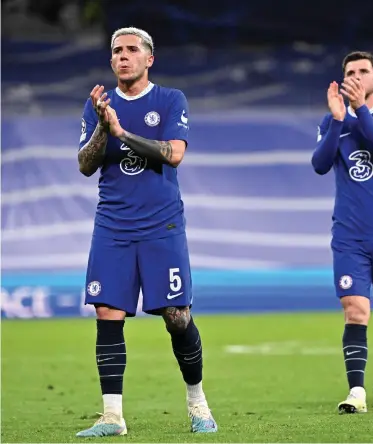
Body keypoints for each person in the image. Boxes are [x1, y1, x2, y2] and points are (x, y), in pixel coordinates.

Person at [75, 27, 217, 437]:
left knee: (176, 317)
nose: (123, 56)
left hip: (162, 224)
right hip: (113, 224)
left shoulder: (170, 100)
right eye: (117, 50)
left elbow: (174, 154)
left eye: (132, 50)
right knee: (107, 312)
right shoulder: (98, 105)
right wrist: (103, 125)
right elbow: (85, 165)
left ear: (149, 58)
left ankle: (198, 404)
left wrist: (122, 133)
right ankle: (112, 417)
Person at [312, 51, 373, 414]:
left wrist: (360, 112)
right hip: (349, 236)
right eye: (350, 72)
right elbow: (320, 164)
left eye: (363, 71)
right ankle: (356, 391)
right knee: (356, 310)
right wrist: (339, 121)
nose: (355, 76)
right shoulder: (332, 121)